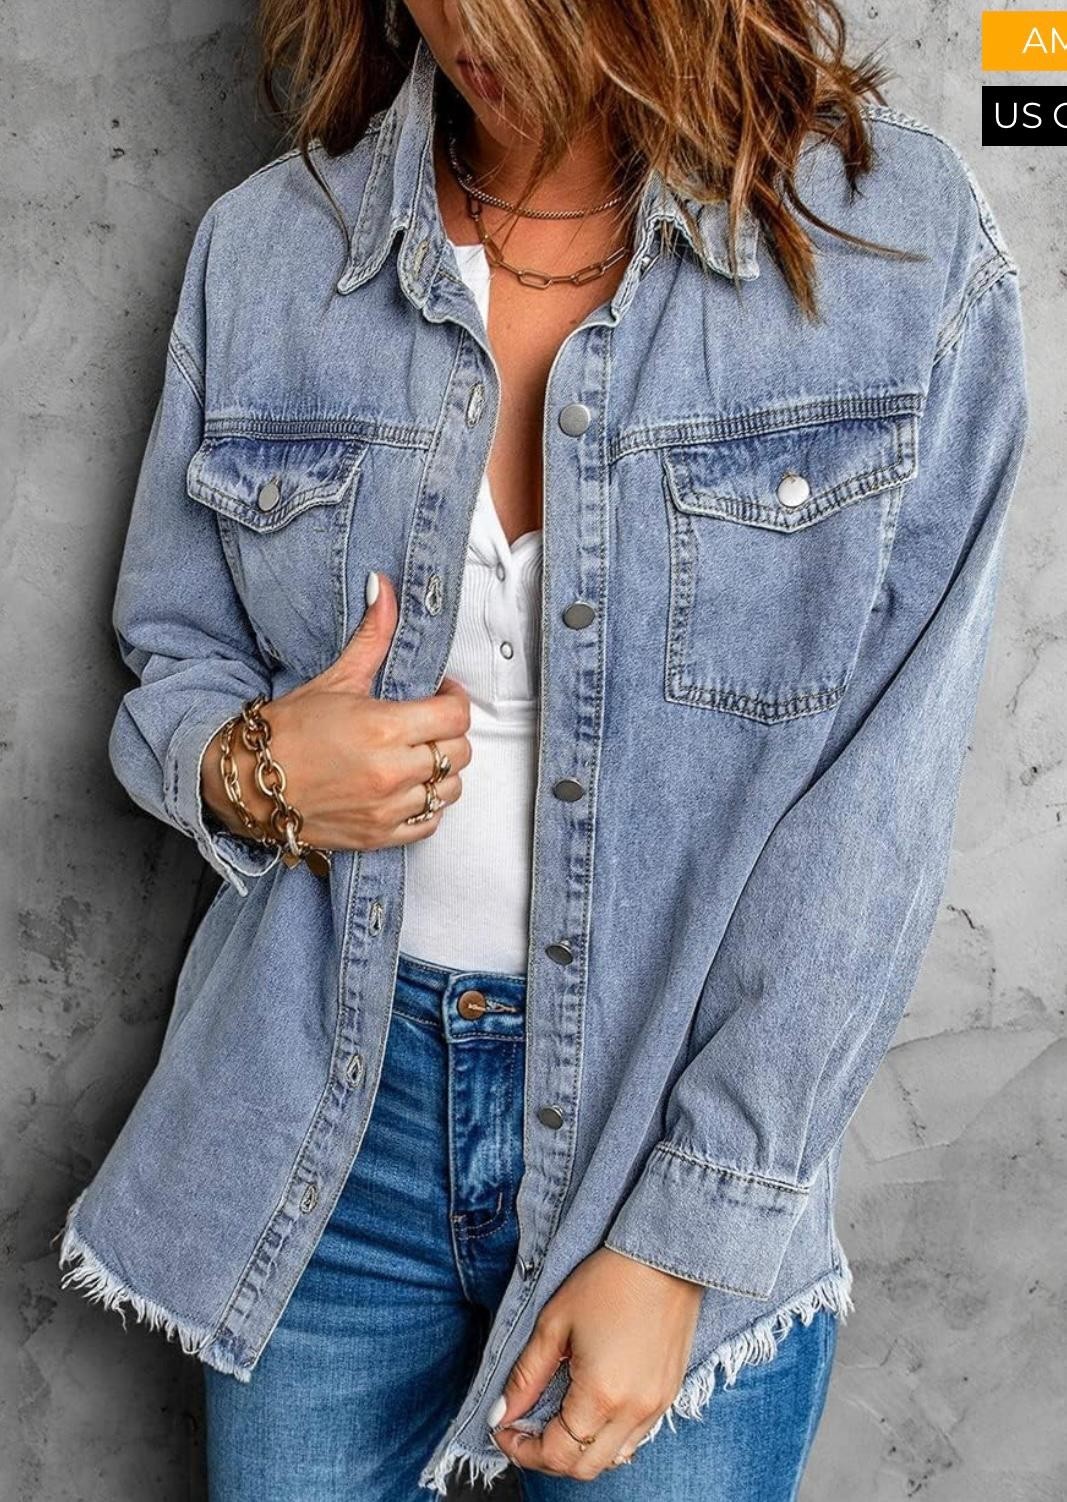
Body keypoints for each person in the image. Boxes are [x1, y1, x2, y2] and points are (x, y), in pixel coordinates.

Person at [55, 1, 1030, 1498]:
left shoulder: (892, 244)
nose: (469, 21)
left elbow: (876, 808)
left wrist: (688, 1230)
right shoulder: (270, 250)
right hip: (324, 1138)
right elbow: (174, 650)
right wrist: (255, 768)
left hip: (668, 1124)